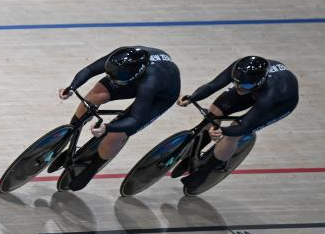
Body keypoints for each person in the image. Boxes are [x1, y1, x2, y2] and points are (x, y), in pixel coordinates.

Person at [58, 46, 181, 190]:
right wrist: (72, 87)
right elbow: (90, 70)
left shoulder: (150, 82)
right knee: (95, 95)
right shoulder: (120, 58)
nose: (111, 79)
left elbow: (135, 119)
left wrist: (107, 127)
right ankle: (70, 134)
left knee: (116, 135)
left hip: (161, 96)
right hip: (133, 77)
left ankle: (92, 169)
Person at [177, 55, 298, 190]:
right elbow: (212, 85)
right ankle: (194, 153)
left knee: (233, 132)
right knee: (214, 112)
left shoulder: (272, 91)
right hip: (254, 89)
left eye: (244, 85)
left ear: (260, 81)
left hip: (279, 104)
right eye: (236, 83)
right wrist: (192, 98)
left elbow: (244, 126)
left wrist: (222, 131)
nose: (239, 88)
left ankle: (205, 172)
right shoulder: (240, 70)